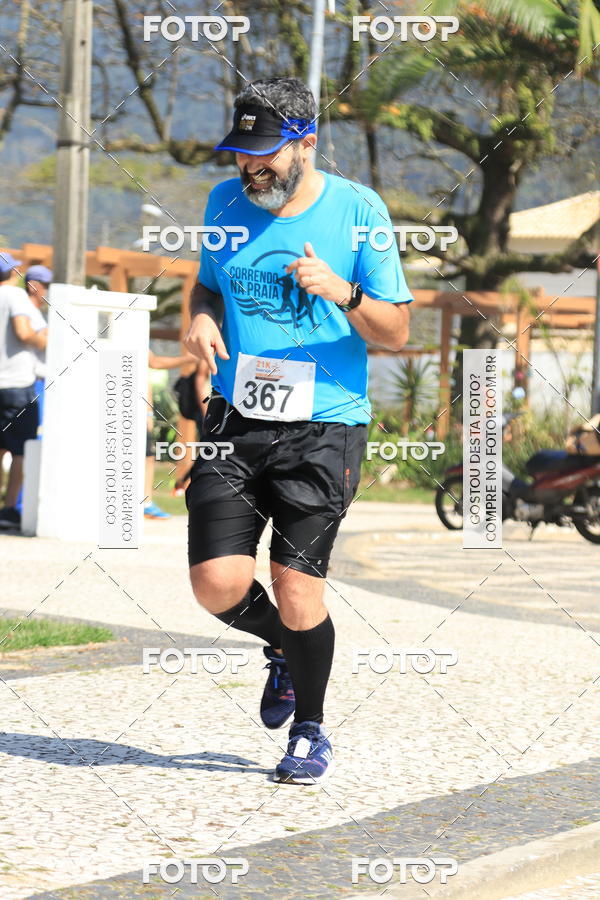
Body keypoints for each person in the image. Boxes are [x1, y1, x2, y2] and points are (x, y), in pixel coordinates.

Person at [184, 77, 412, 784]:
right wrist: (197, 318)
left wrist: (344, 293)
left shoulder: (358, 213)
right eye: (240, 154)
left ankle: (309, 731)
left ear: (306, 144)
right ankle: (284, 646)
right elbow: (207, 286)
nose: (251, 168)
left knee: (296, 587)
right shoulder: (225, 202)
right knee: (216, 584)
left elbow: (398, 330)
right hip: (236, 417)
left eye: (265, 156)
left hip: (324, 424)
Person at [0, 254, 48, 530]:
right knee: (21, 451)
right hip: (17, 383)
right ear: (12, 272)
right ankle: (9, 510)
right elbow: (23, 332)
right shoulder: (14, 296)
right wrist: (48, 339)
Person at [144, 349, 197, 519]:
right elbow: (155, 362)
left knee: (148, 456)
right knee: (146, 456)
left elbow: (154, 361)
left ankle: (145, 502)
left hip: (145, 413)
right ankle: (143, 503)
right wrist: (189, 357)